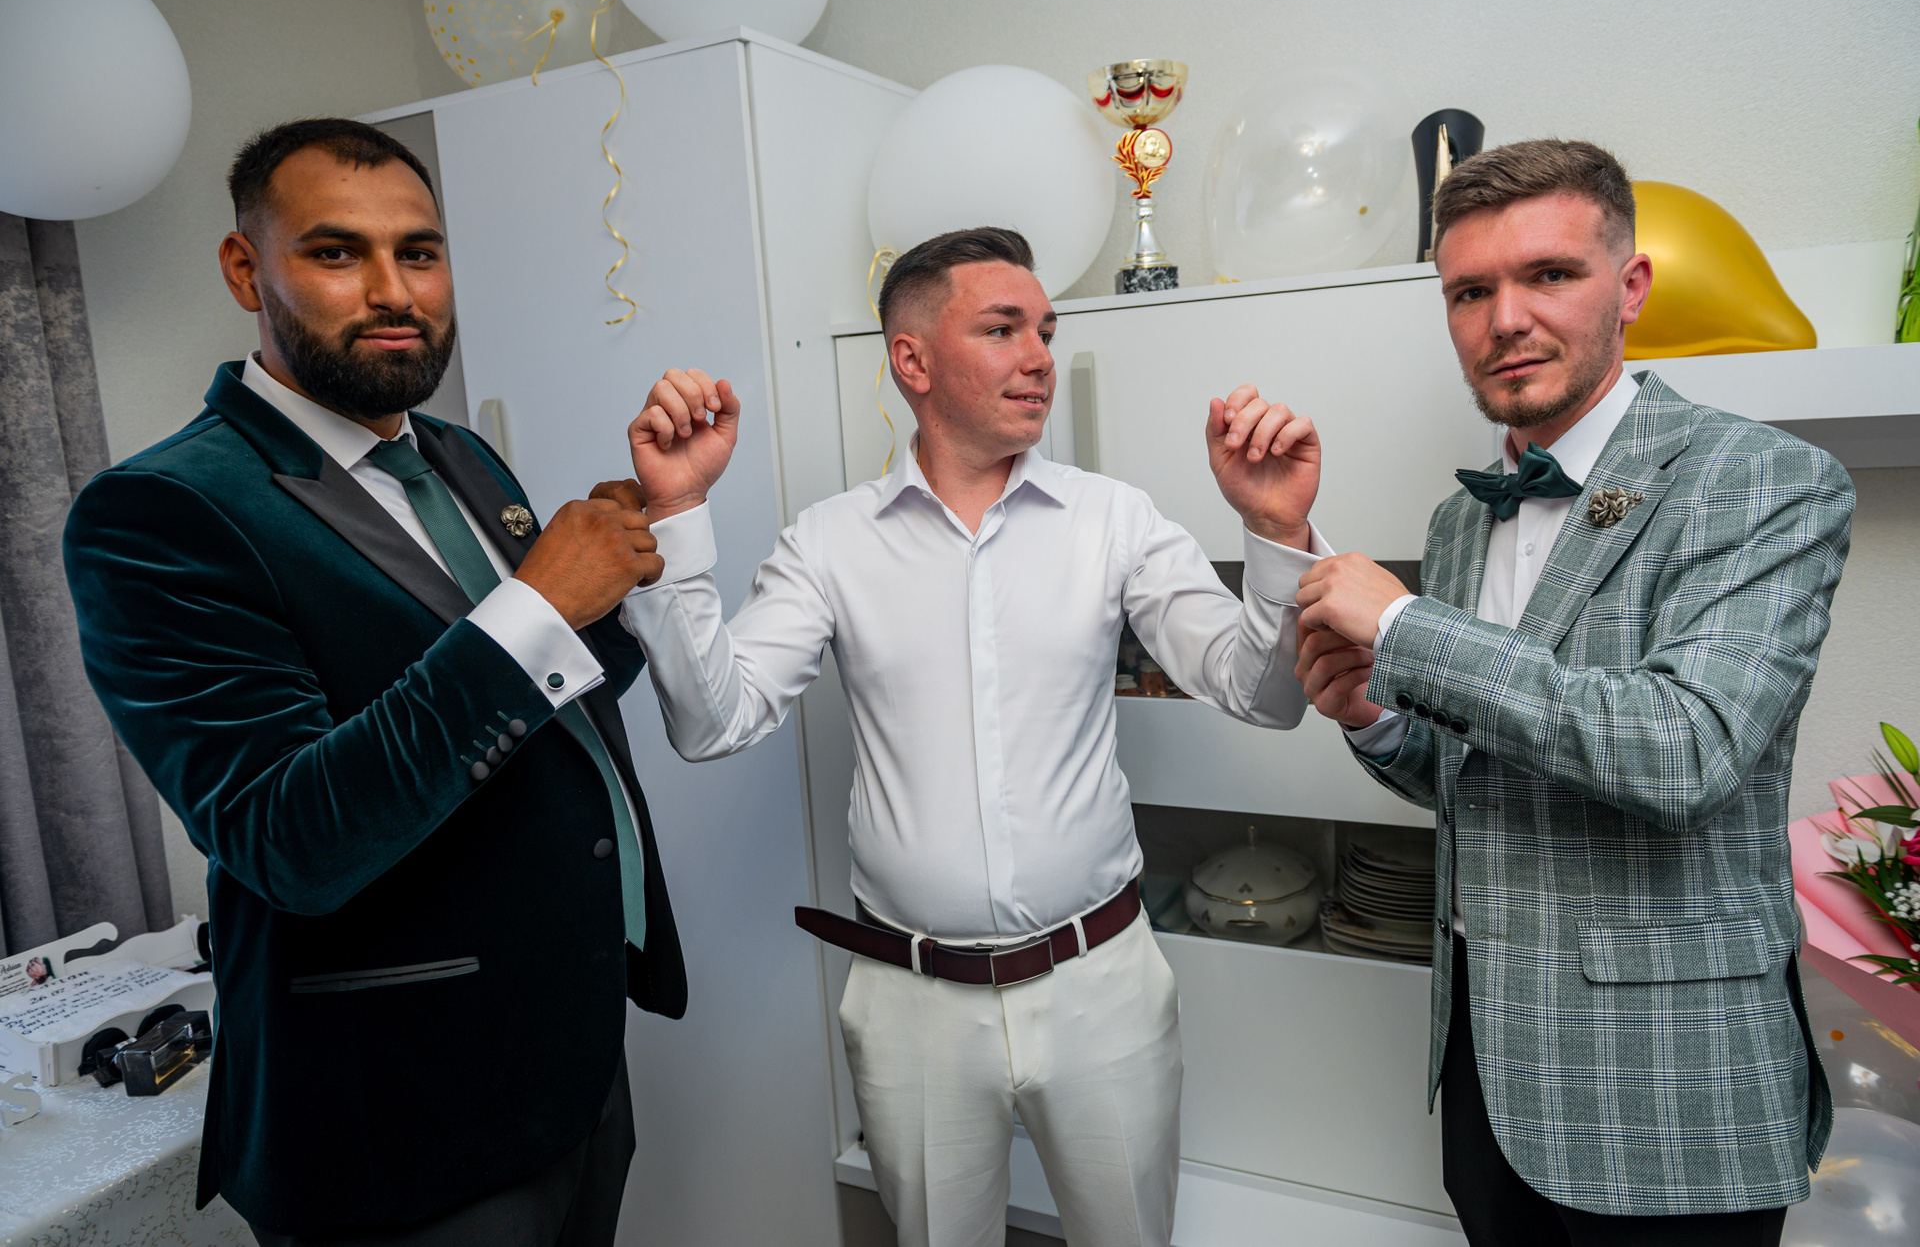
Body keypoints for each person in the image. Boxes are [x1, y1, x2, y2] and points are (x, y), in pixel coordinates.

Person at [611, 227, 1326, 1247]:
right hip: (913, 1006)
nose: (1038, 357)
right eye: (1002, 330)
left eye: (1045, 331)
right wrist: (678, 508)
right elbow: (711, 721)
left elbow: (1264, 696)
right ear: (912, 360)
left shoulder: (1115, 521)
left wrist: (1277, 533)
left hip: (1100, 985)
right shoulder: (829, 543)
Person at [62, 118, 684, 1246]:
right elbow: (290, 838)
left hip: (571, 1062)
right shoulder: (161, 512)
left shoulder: (458, 456)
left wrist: (626, 568)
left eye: (420, 252)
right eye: (338, 252)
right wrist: (540, 605)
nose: (395, 291)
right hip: (397, 1122)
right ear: (246, 268)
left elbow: (541, 712)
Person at [1293, 139, 1851, 1247]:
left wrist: (1406, 630)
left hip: (1673, 1092)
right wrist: (1379, 718)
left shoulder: (1765, 478)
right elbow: (1486, 776)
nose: (1506, 319)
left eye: (1548, 274)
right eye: (1470, 291)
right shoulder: (1461, 522)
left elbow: (1686, 751)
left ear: (1629, 287)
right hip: (1486, 1071)